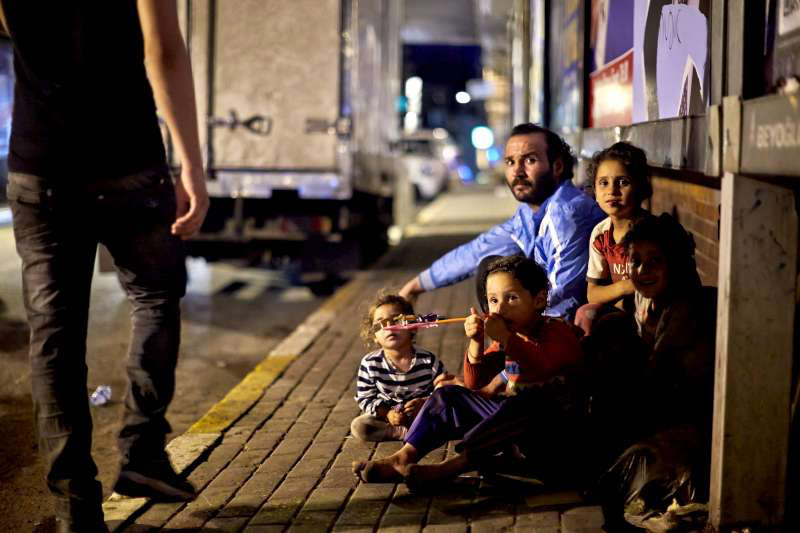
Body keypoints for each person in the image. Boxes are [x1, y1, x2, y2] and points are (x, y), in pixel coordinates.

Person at [0, 2, 209, 531]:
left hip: (40, 165)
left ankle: (75, 507)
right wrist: (191, 165)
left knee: (54, 333)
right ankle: (141, 453)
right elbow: (163, 50)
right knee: (156, 297)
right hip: (128, 163)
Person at [352, 255, 583, 486]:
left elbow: (541, 364)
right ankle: (403, 458)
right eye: (493, 300)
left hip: (551, 429)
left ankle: (451, 467)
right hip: (512, 425)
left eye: (511, 298)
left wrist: (505, 337)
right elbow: (475, 383)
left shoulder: (557, 332)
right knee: (447, 395)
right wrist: (476, 340)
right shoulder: (509, 338)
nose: (500, 309)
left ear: (539, 300)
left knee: (522, 405)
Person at [399, 123, 605, 321]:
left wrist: (516, 335)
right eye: (510, 162)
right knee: (490, 267)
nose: (517, 171)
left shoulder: (566, 214)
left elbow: (562, 297)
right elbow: (478, 250)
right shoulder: (529, 212)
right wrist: (415, 286)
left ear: (557, 166)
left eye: (530, 160)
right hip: (552, 320)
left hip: (577, 332)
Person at [597, 214, 716, 530]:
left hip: (693, 419)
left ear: (675, 265)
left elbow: (655, 377)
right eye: (635, 261)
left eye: (655, 261)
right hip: (666, 406)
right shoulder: (648, 300)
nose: (642, 270)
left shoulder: (683, 309)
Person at [574, 142, 654, 335]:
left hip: (655, 312)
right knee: (586, 314)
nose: (612, 191)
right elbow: (592, 293)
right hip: (622, 315)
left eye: (623, 182)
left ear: (640, 187)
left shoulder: (653, 231)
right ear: (594, 191)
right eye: (604, 183)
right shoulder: (601, 234)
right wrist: (626, 286)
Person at [351, 292, 446, 442]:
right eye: (381, 323)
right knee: (359, 426)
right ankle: (400, 433)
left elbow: (443, 391)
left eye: (396, 320)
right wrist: (388, 413)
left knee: (450, 414)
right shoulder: (370, 364)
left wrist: (423, 404)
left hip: (422, 413)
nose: (389, 327)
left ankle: (420, 428)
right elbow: (365, 398)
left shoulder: (428, 360)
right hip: (387, 418)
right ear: (374, 336)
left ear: (413, 327)